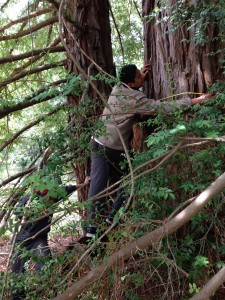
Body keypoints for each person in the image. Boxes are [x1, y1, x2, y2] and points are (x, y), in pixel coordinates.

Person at [81, 63, 213, 241]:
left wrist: (140, 79)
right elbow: (161, 108)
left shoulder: (117, 87)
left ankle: (100, 226)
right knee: (119, 183)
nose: (141, 77)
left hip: (101, 142)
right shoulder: (135, 98)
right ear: (131, 82)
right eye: (138, 76)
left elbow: (132, 88)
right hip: (108, 148)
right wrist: (195, 100)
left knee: (112, 185)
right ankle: (101, 226)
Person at [10, 177, 90, 300]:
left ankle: (46, 290)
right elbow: (17, 212)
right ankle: (17, 296)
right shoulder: (30, 197)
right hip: (23, 240)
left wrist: (83, 184)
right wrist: (32, 210)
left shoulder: (54, 194)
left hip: (39, 238)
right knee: (17, 269)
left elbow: (68, 189)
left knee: (45, 260)